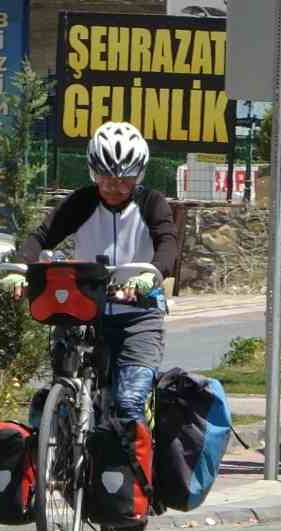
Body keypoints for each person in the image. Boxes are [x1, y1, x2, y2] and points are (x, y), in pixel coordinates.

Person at [9, 121, 178, 421]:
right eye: (105, 177)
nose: (114, 186)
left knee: (129, 402)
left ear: (139, 174)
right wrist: (22, 267)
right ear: (93, 173)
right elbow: (40, 237)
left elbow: (168, 244)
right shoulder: (82, 202)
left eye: (124, 178)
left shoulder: (152, 203)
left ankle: (139, 459)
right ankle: (58, 458)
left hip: (138, 315)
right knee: (62, 399)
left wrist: (151, 274)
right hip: (83, 310)